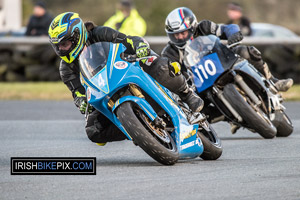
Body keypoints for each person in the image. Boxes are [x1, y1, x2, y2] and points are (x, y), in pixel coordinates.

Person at [48, 12, 203, 145]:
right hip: (105, 91)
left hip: (125, 69)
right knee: (93, 130)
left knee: (158, 65)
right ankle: (138, 130)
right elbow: (78, 92)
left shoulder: (99, 34)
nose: (61, 49)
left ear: (77, 35)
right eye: (58, 46)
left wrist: (139, 46)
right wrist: (81, 102)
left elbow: (127, 40)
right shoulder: (66, 68)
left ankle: (187, 94)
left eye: (64, 44)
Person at [161, 7, 293, 132]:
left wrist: (233, 35)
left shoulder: (204, 27)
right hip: (198, 81)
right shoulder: (169, 52)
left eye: (182, 33)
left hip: (222, 60)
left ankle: (272, 81)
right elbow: (173, 73)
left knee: (247, 51)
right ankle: (229, 116)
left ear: (192, 27)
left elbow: (227, 28)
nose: (179, 37)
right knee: (197, 108)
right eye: (175, 35)